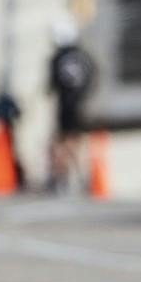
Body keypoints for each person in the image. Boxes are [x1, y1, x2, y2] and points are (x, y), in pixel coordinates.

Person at [47, 19, 97, 192]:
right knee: (74, 142)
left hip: (66, 106)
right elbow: (93, 76)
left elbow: (51, 85)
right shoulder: (82, 56)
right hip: (81, 106)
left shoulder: (58, 57)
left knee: (61, 143)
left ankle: (61, 178)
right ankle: (80, 177)